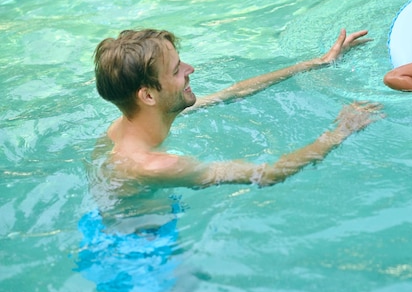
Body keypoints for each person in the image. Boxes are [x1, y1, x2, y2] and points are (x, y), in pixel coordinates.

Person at [92, 27, 383, 189]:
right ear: (148, 96)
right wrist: (340, 131)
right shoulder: (158, 166)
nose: (191, 69)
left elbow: (233, 92)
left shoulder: (125, 126)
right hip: (139, 255)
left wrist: (317, 63)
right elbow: (267, 174)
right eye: (177, 69)